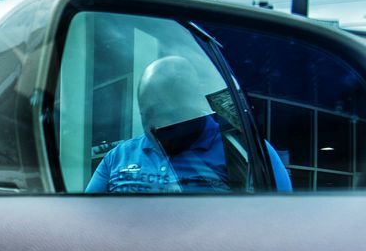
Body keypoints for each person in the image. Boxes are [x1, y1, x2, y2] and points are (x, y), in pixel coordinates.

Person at [86, 55, 292, 194]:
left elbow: (280, 222)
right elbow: (88, 219)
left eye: (169, 114)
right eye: (147, 114)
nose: (156, 126)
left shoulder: (246, 151)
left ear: (194, 105)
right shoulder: (118, 156)